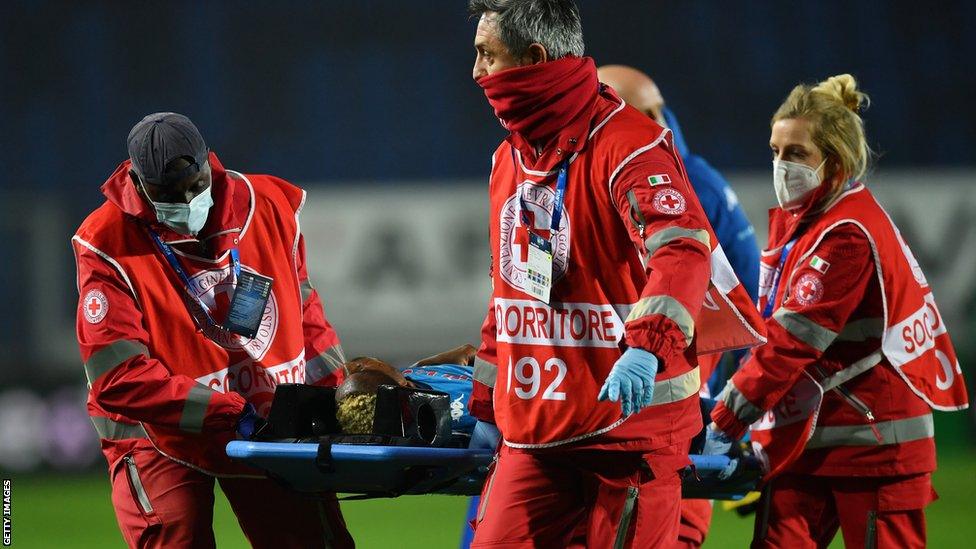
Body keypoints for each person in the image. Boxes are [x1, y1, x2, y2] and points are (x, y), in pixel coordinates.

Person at [461, 2, 766, 547]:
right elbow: (509, 296)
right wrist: (487, 404)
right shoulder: (507, 159)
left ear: (533, 59)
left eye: (488, 55)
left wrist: (647, 348)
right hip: (539, 429)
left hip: (628, 432)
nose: (477, 73)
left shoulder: (628, 144)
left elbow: (683, 251)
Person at [704, 74, 969, 548]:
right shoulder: (810, 222)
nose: (781, 165)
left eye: (796, 153)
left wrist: (725, 418)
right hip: (812, 438)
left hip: (874, 447)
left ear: (836, 160)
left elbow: (790, 343)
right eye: (775, 151)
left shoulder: (845, 233)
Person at [72, 113, 354, 548]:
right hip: (160, 434)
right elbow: (118, 378)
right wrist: (229, 412)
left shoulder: (270, 205)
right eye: (169, 193)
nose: (187, 201)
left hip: (264, 417)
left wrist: (338, 393)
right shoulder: (106, 243)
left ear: (209, 162)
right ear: (139, 182)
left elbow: (306, 320)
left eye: (194, 183)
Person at [597, 64, 762, 549]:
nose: (658, 122)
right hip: (627, 406)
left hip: (671, 407)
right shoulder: (674, 177)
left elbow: (752, 312)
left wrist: (743, 420)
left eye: (658, 110)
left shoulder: (687, 188)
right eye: (643, 112)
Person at [335, 355, 477, 437]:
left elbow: (467, 351)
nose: (348, 365)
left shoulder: (410, 373)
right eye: (360, 367)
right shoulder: (460, 416)